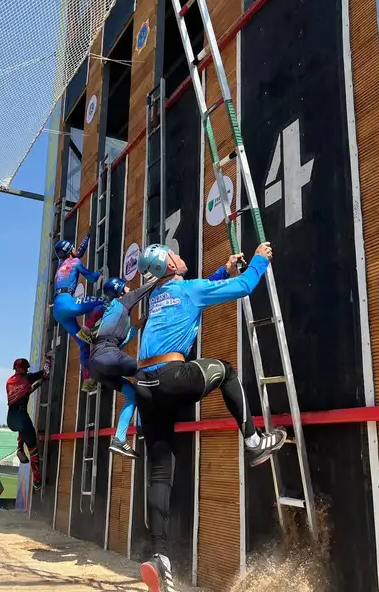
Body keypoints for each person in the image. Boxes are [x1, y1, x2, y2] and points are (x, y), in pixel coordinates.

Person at [134, 241, 288, 592]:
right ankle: (254, 441)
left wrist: (222, 271)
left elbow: (196, 294)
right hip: (172, 376)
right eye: (174, 253)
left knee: (159, 472)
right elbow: (246, 287)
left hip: (144, 384)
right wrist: (260, 260)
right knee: (227, 372)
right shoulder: (189, 290)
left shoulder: (157, 296)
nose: (178, 253)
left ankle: (160, 556)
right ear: (170, 265)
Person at [88, 276, 158, 459]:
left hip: (98, 363)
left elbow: (119, 341)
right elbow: (141, 291)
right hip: (107, 353)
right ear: (120, 290)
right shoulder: (121, 301)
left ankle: (119, 439)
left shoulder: (114, 311)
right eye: (125, 286)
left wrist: (136, 326)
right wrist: (160, 277)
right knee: (148, 372)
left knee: (132, 393)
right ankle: (145, 426)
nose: (128, 288)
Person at [52, 235, 105, 392]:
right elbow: (92, 278)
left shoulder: (61, 266)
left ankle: (88, 382)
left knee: (84, 346)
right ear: (69, 251)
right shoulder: (75, 262)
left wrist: (87, 237)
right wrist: (100, 272)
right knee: (101, 302)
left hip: (57, 308)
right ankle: (87, 328)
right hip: (68, 303)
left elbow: (78, 251)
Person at [6, 357, 49, 490]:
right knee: (33, 449)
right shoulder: (27, 378)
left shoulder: (9, 382)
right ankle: (36, 480)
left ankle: (19, 448)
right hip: (22, 416)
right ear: (24, 368)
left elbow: (23, 393)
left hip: (10, 418)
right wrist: (48, 361)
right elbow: (45, 372)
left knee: (22, 429)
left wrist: (37, 385)